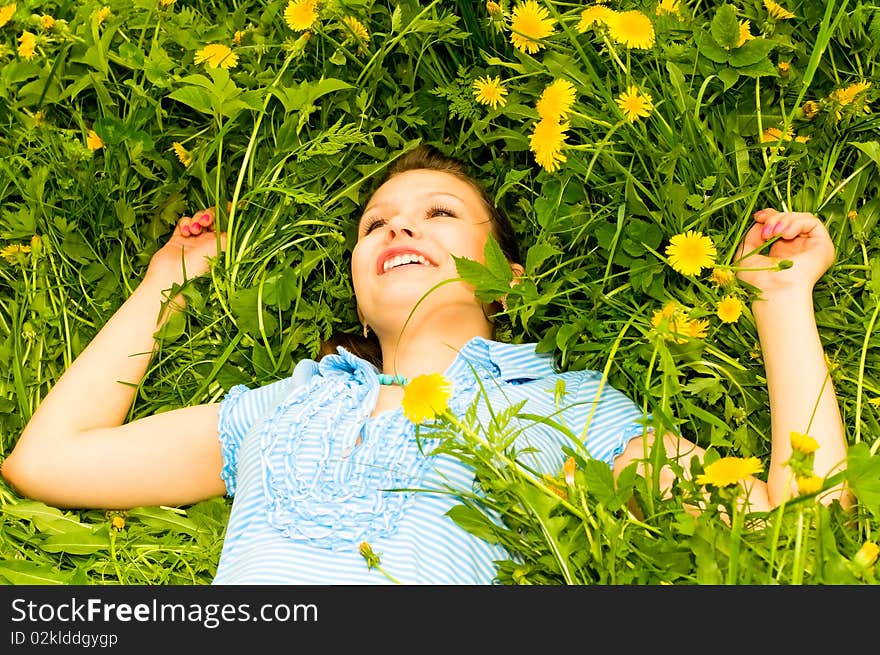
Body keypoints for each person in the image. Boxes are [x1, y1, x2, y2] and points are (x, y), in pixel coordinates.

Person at [0, 145, 850, 584]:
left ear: (506, 278)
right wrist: (166, 284)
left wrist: (780, 303)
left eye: (437, 212)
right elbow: (45, 460)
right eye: (376, 224)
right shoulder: (283, 406)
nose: (398, 229)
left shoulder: (563, 405)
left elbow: (800, 524)